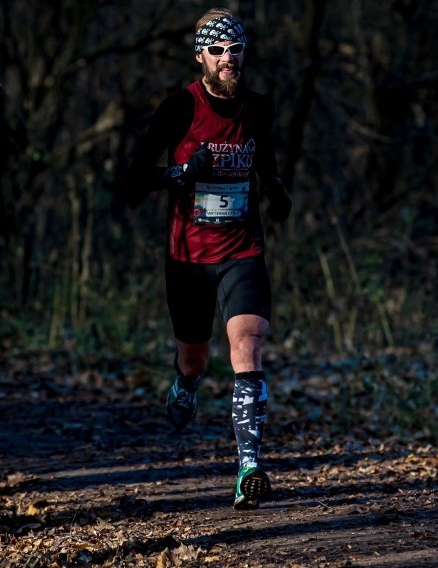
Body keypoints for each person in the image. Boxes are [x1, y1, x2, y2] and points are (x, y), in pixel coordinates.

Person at [122, 7, 291, 510]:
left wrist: (277, 190)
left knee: (248, 342)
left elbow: (266, 160)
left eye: (235, 50)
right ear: (201, 56)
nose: (227, 59)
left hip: (242, 250)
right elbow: (132, 179)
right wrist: (181, 174)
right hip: (188, 257)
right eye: (217, 51)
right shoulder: (179, 108)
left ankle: (248, 467)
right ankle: (187, 381)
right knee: (195, 355)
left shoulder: (258, 107)